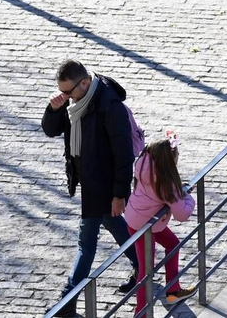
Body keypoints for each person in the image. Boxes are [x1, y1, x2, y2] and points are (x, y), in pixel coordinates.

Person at [42, 60, 140, 317]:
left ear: (84, 83)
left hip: (104, 184)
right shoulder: (74, 103)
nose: (65, 97)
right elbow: (51, 131)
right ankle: (143, 264)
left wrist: (119, 195)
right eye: (61, 92)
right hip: (88, 181)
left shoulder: (109, 107)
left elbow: (124, 155)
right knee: (113, 223)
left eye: (68, 91)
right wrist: (53, 110)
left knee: (86, 242)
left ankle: (68, 299)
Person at [123, 130, 195, 315]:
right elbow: (182, 214)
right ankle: (142, 313)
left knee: (172, 244)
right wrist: (188, 196)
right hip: (144, 227)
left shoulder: (143, 163)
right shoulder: (166, 183)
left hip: (137, 218)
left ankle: (173, 291)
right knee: (145, 272)